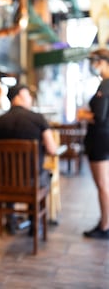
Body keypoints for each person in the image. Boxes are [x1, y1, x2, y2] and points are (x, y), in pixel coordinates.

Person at [0, 84, 57, 233]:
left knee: (11, 175)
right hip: (32, 183)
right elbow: (52, 149)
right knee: (43, 174)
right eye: (28, 95)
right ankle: (35, 223)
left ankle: (11, 221)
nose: (30, 98)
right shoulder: (38, 118)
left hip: (4, 182)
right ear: (19, 96)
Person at [77, 48, 109, 239]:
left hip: (100, 140)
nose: (92, 66)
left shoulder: (105, 85)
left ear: (103, 61)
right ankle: (105, 221)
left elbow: (100, 117)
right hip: (103, 139)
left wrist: (83, 115)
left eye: (94, 61)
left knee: (103, 184)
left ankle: (105, 226)